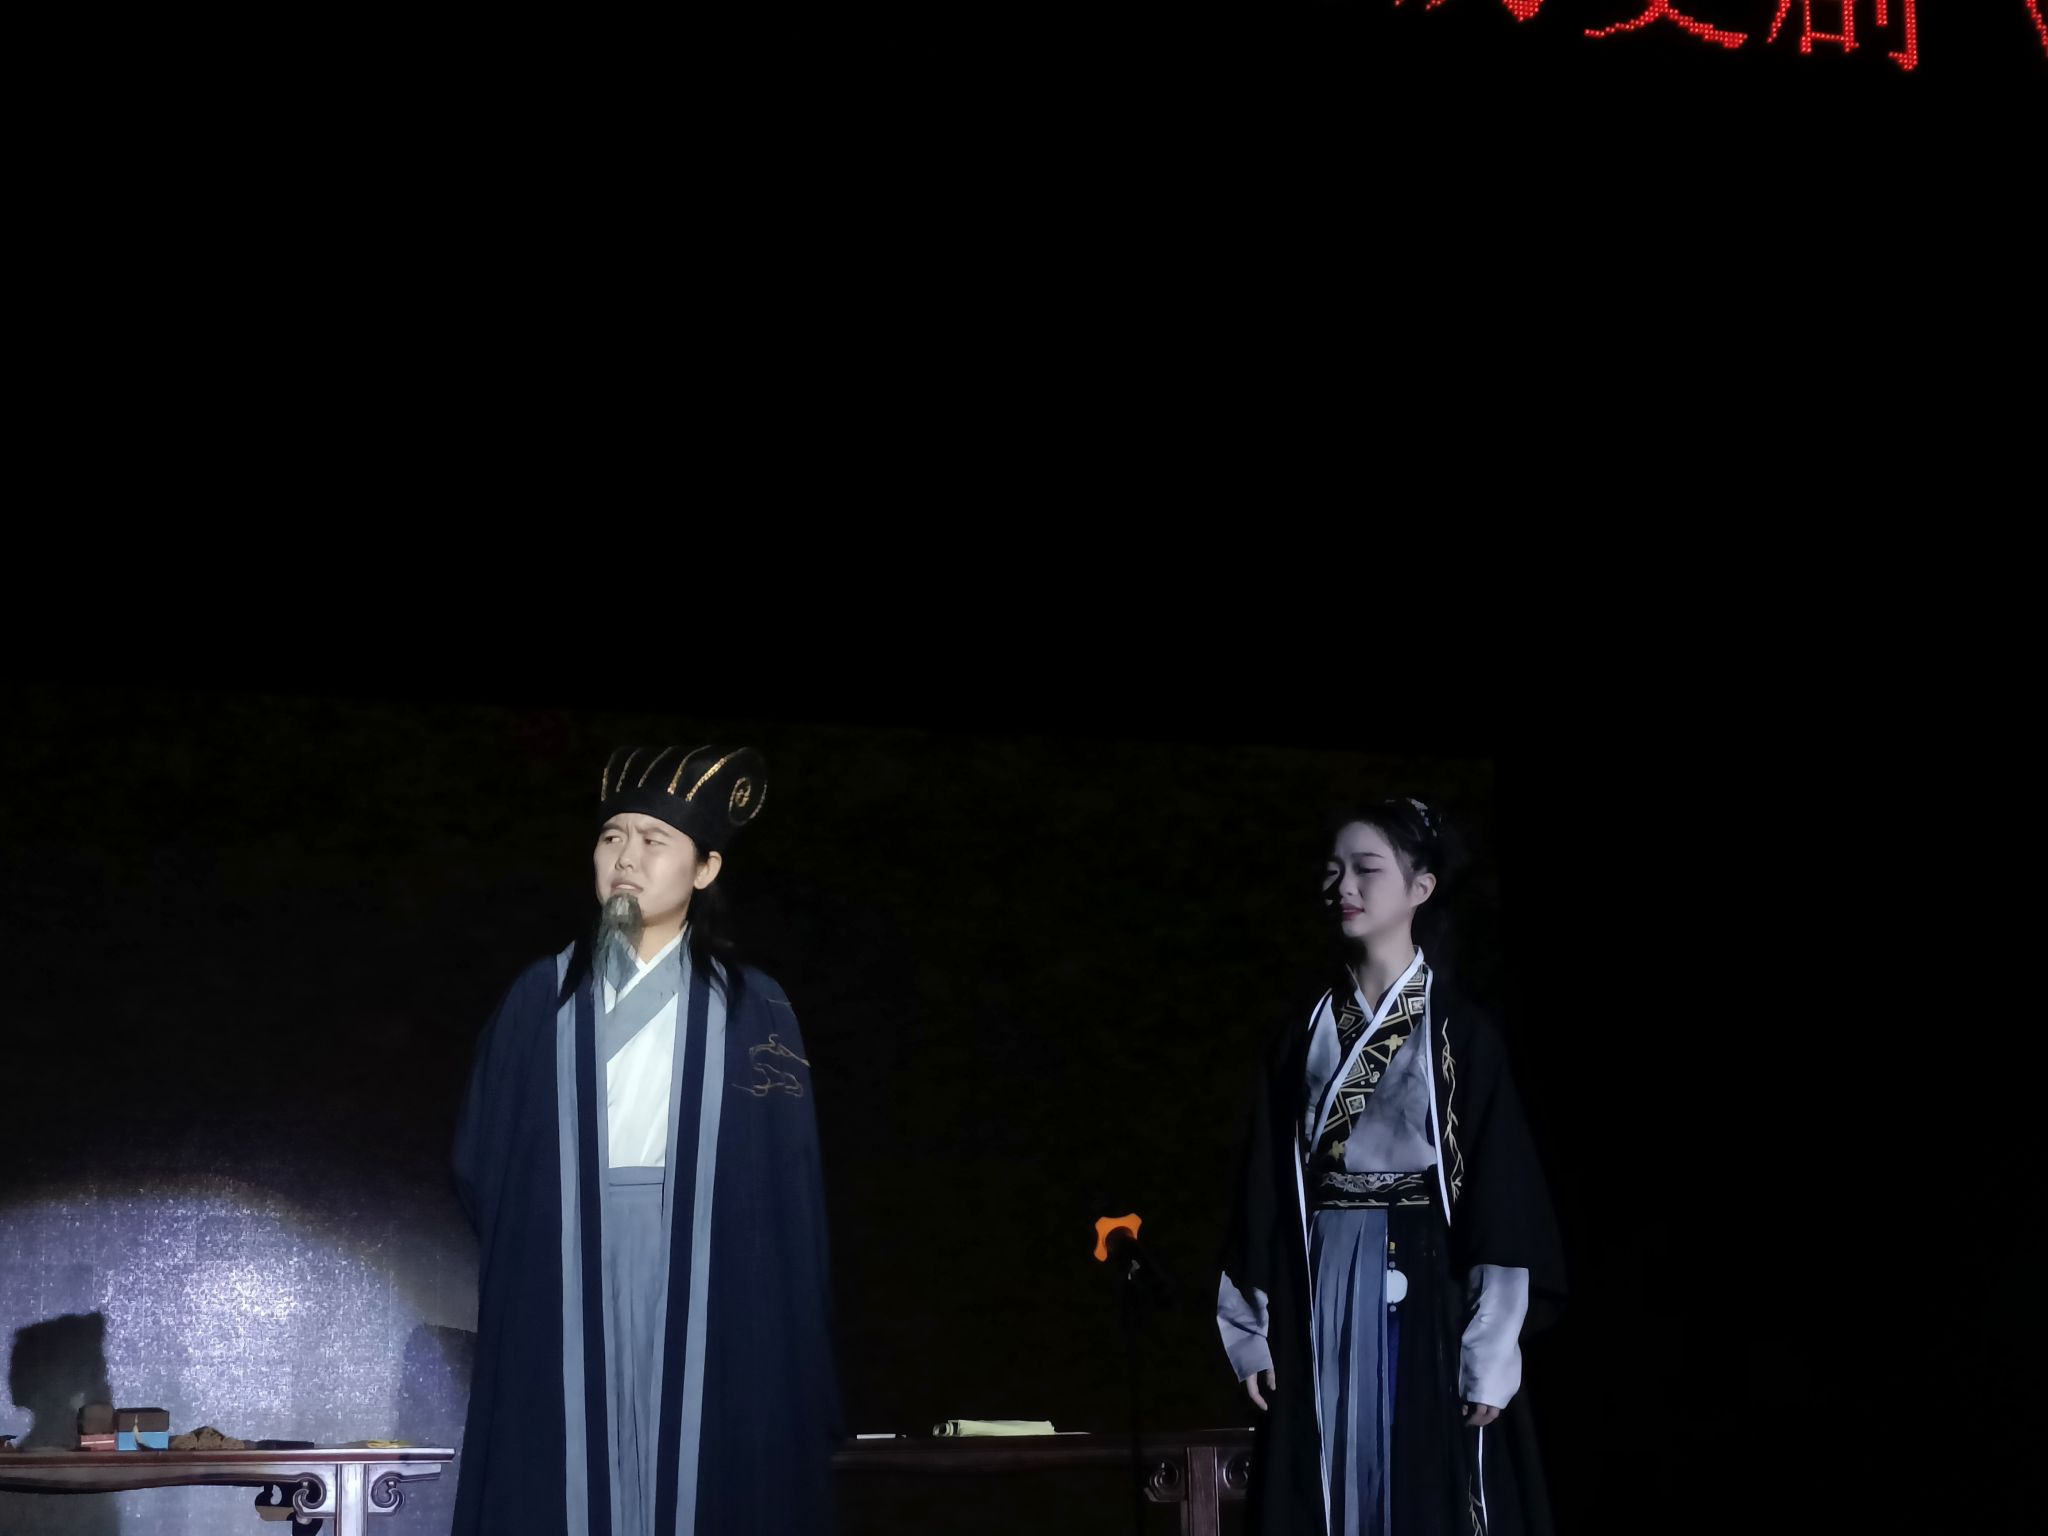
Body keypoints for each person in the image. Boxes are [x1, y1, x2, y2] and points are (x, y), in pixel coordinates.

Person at [453, 744, 839, 1536]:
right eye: (611, 838)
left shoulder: (754, 1006)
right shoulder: (539, 997)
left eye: (653, 840)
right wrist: (546, 1234)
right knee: (568, 1459)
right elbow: (482, 1157)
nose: (625, 859)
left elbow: (787, 1182)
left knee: (702, 1455)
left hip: (709, 1257)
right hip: (568, 1257)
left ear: (705, 868)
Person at [1217, 799, 1562, 1536]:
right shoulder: (1302, 1036)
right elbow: (1262, 1188)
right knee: (1321, 1480)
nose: (1343, 885)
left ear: (1421, 887)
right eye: (1333, 870)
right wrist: (1250, 1327)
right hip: (1319, 1282)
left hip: (1427, 1283)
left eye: (1366, 869)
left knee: (1423, 1479)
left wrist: (1490, 1350)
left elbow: (1500, 1198)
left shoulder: (1461, 1034)